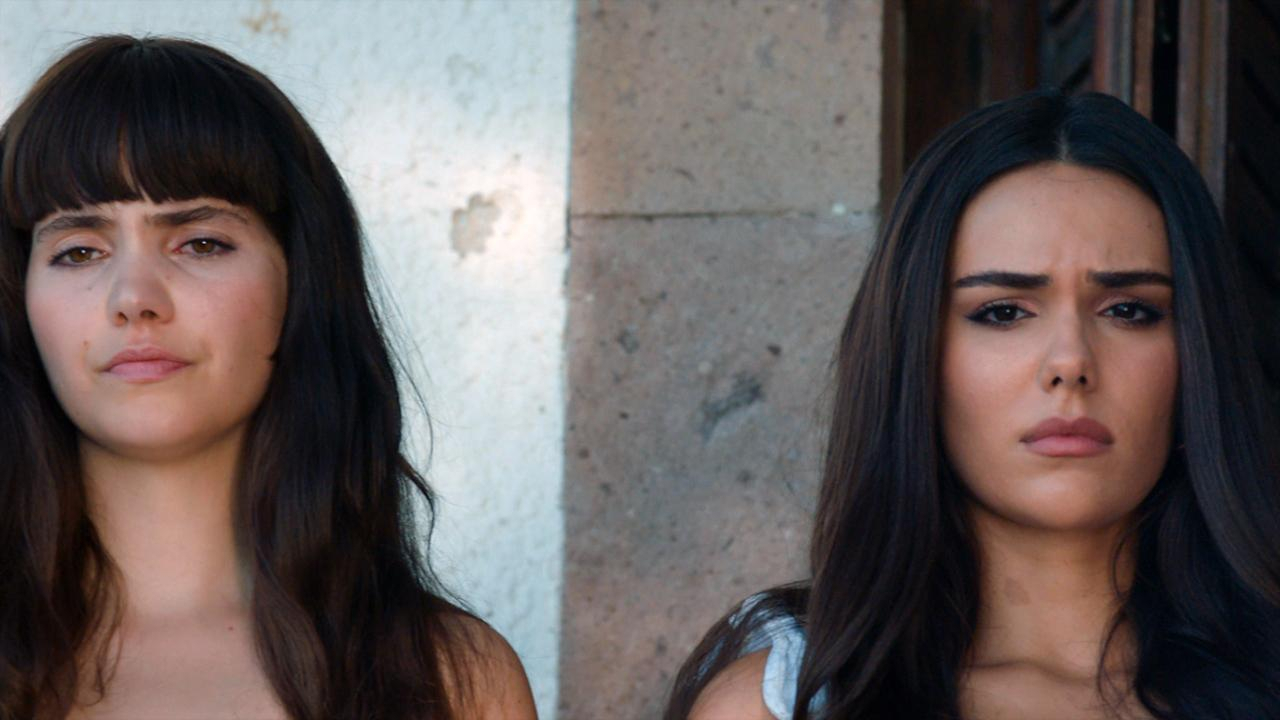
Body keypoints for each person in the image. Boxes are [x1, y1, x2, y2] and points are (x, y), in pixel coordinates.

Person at [666, 90, 1280, 719]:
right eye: (1003, 312)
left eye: (1128, 310)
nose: (1070, 361)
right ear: (915, 358)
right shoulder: (789, 702)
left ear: (1199, 357)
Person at [0, 35, 536, 720]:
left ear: (298, 282)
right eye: (79, 251)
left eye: (201, 242)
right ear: (18, 297)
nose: (133, 297)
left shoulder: (450, 680)